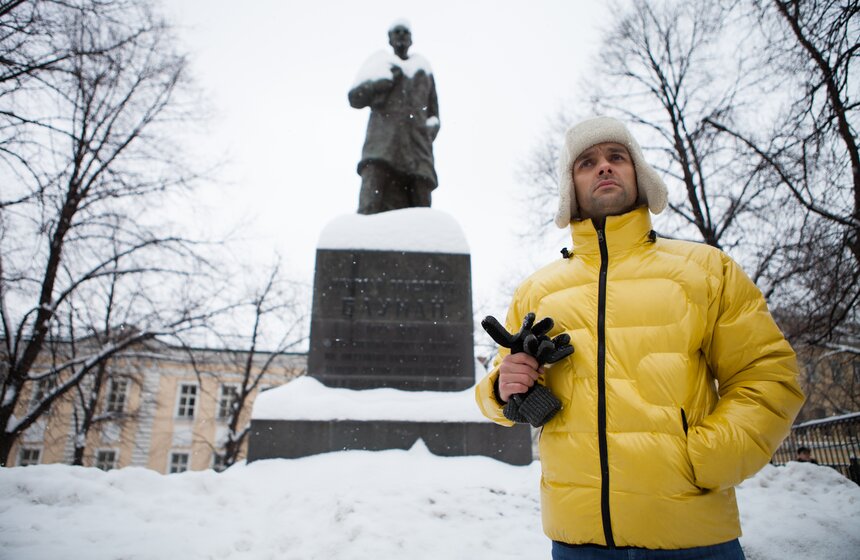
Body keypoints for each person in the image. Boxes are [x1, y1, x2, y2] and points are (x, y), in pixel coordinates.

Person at [475, 116, 806, 559]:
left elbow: (768, 375)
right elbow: (502, 385)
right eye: (587, 162)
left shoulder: (706, 270)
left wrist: (707, 458)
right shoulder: (538, 291)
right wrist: (502, 387)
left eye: (617, 157)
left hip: (692, 538)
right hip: (578, 541)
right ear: (570, 187)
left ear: (639, 174)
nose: (604, 168)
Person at [348, 20, 440, 215]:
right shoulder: (379, 63)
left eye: (405, 32)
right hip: (381, 147)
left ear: (411, 38)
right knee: (370, 205)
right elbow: (354, 98)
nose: (401, 35)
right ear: (389, 39)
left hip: (417, 149)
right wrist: (378, 84)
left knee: (421, 212)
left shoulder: (423, 69)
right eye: (396, 32)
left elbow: (434, 112)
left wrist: (430, 128)